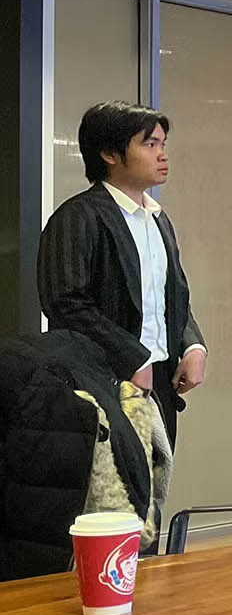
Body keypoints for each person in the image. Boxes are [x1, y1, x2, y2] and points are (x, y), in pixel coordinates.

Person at [37, 100, 207, 447]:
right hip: (101, 379)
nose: (162, 155)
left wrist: (193, 346)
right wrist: (132, 356)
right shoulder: (78, 216)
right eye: (149, 144)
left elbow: (172, 297)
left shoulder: (159, 219)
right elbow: (65, 303)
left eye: (163, 144)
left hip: (158, 378)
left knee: (153, 492)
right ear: (110, 154)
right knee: (112, 494)